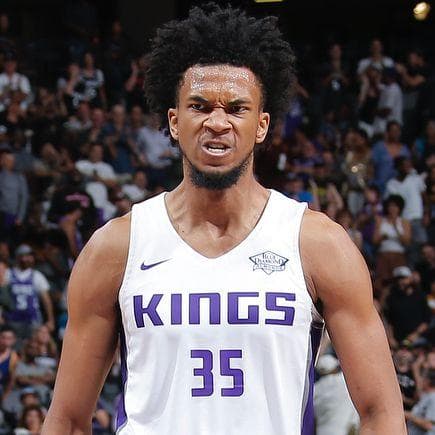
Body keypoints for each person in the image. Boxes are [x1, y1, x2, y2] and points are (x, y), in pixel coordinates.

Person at [42, 4, 406, 434]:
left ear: (261, 125)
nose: (217, 122)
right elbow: (67, 420)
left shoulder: (316, 243)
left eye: (236, 109)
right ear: (174, 121)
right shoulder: (117, 247)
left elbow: (381, 413)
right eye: (199, 106)